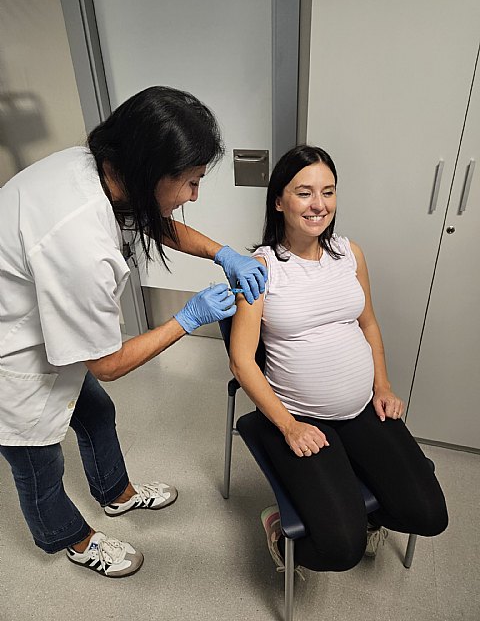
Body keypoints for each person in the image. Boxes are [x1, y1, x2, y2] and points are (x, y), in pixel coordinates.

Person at [0, 86, 267, 578]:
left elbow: (149, 216)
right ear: (150, 172)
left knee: (96, 411)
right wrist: (187, 318)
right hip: (11, 354)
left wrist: (221, 252)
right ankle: (72, 540)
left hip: (37, 310)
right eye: (189, 182)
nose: (194, 196)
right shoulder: (80, 243)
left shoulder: (100, 164)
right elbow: (108, 364)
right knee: (37, 464)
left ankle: (115, 494)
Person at [229, 145, 448, 573]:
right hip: (300, 417)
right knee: (341, 550)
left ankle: (353, 502)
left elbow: (368, 324)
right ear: (279, 200)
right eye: (304, 192)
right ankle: (278, 530)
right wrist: (289, 425)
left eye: (328, 192)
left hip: (362, 408)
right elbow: (241, 361)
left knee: (429, 516)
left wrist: (382, 386)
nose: (319, 205)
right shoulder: (261, 268)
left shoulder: (350, 253)